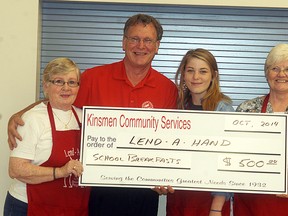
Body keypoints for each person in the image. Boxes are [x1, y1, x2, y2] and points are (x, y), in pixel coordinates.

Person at [7, 14, 178, 216]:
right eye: (134, 39)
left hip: (143, 191)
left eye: (148, 40)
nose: (140, 45)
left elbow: (169, 141)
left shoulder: (168, 88)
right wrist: (20, 114)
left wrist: (166, 176)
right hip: (98, 191)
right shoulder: (93, 77)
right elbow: (60, 99)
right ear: (124, 43)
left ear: (157, 46)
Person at [4, 58, 90, 216]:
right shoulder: (32, 119)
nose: (66, 88)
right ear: (46, 86)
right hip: (29, 206)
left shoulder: (84, 117)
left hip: (71, 206)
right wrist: (60, 172)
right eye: (59, 81)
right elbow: (15, 170)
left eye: (72, 82)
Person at [166, 49, 234, 216]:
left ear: (214, 75)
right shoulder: (176, 107)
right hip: (178, 198)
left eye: (203, 71)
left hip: (210, 202)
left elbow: (227, 163)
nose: (196, 77)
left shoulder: (222, 109)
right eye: (190, 71)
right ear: (183, 74)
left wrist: (216, 208)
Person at [234, 43, 288, 216]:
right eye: (275, 68)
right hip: (251, 201)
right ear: (266, 73)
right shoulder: (247, 108)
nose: (281, 74)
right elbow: (233, 153)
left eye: (287, 69)